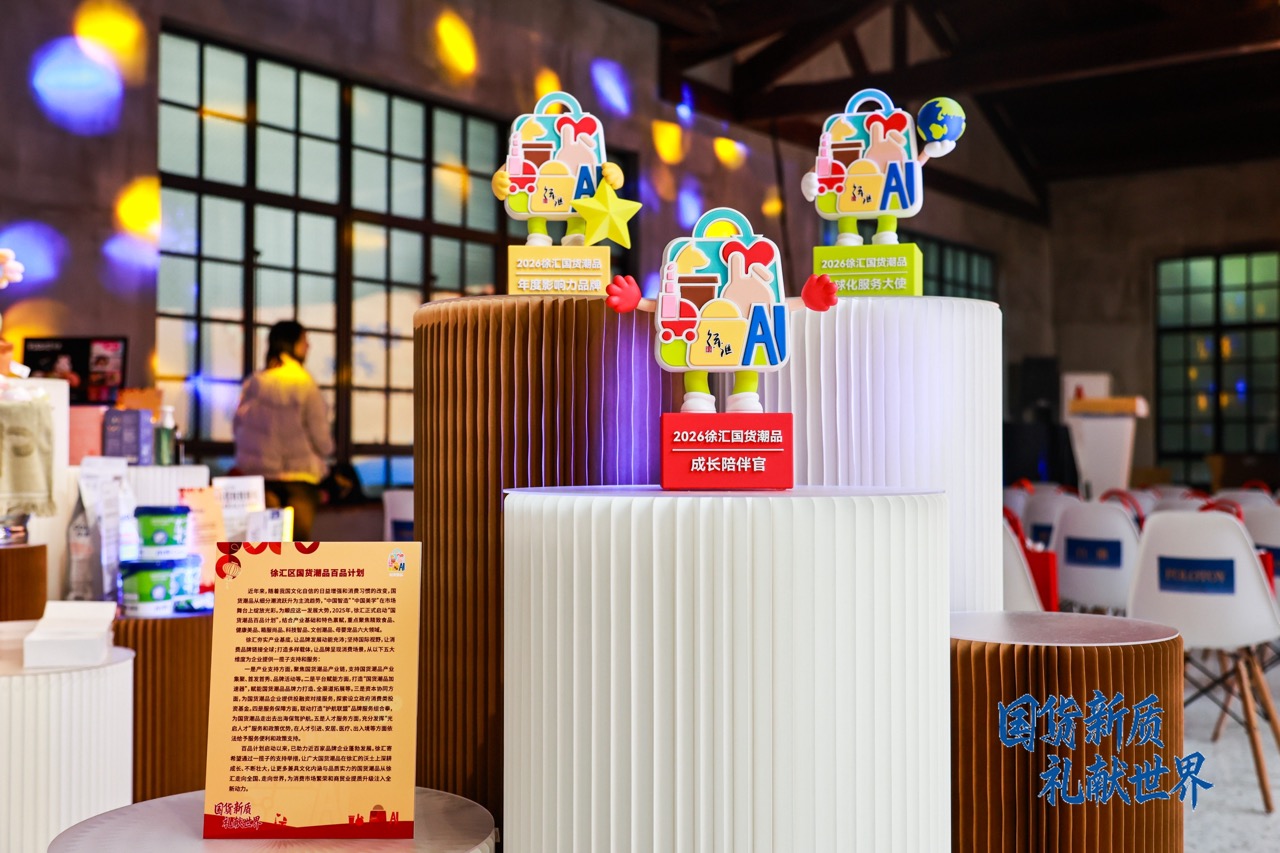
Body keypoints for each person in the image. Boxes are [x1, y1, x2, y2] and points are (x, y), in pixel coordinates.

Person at [233, 321, 333, 540]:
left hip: (261, 479)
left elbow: (238, 427)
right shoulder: (304, 383)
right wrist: (328, 450)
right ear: (292, 344)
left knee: (266, 545)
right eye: (304, 340)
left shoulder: (254, 383)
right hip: (299, 480)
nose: (308, 346)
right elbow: (321, 439)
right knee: (296, 548)